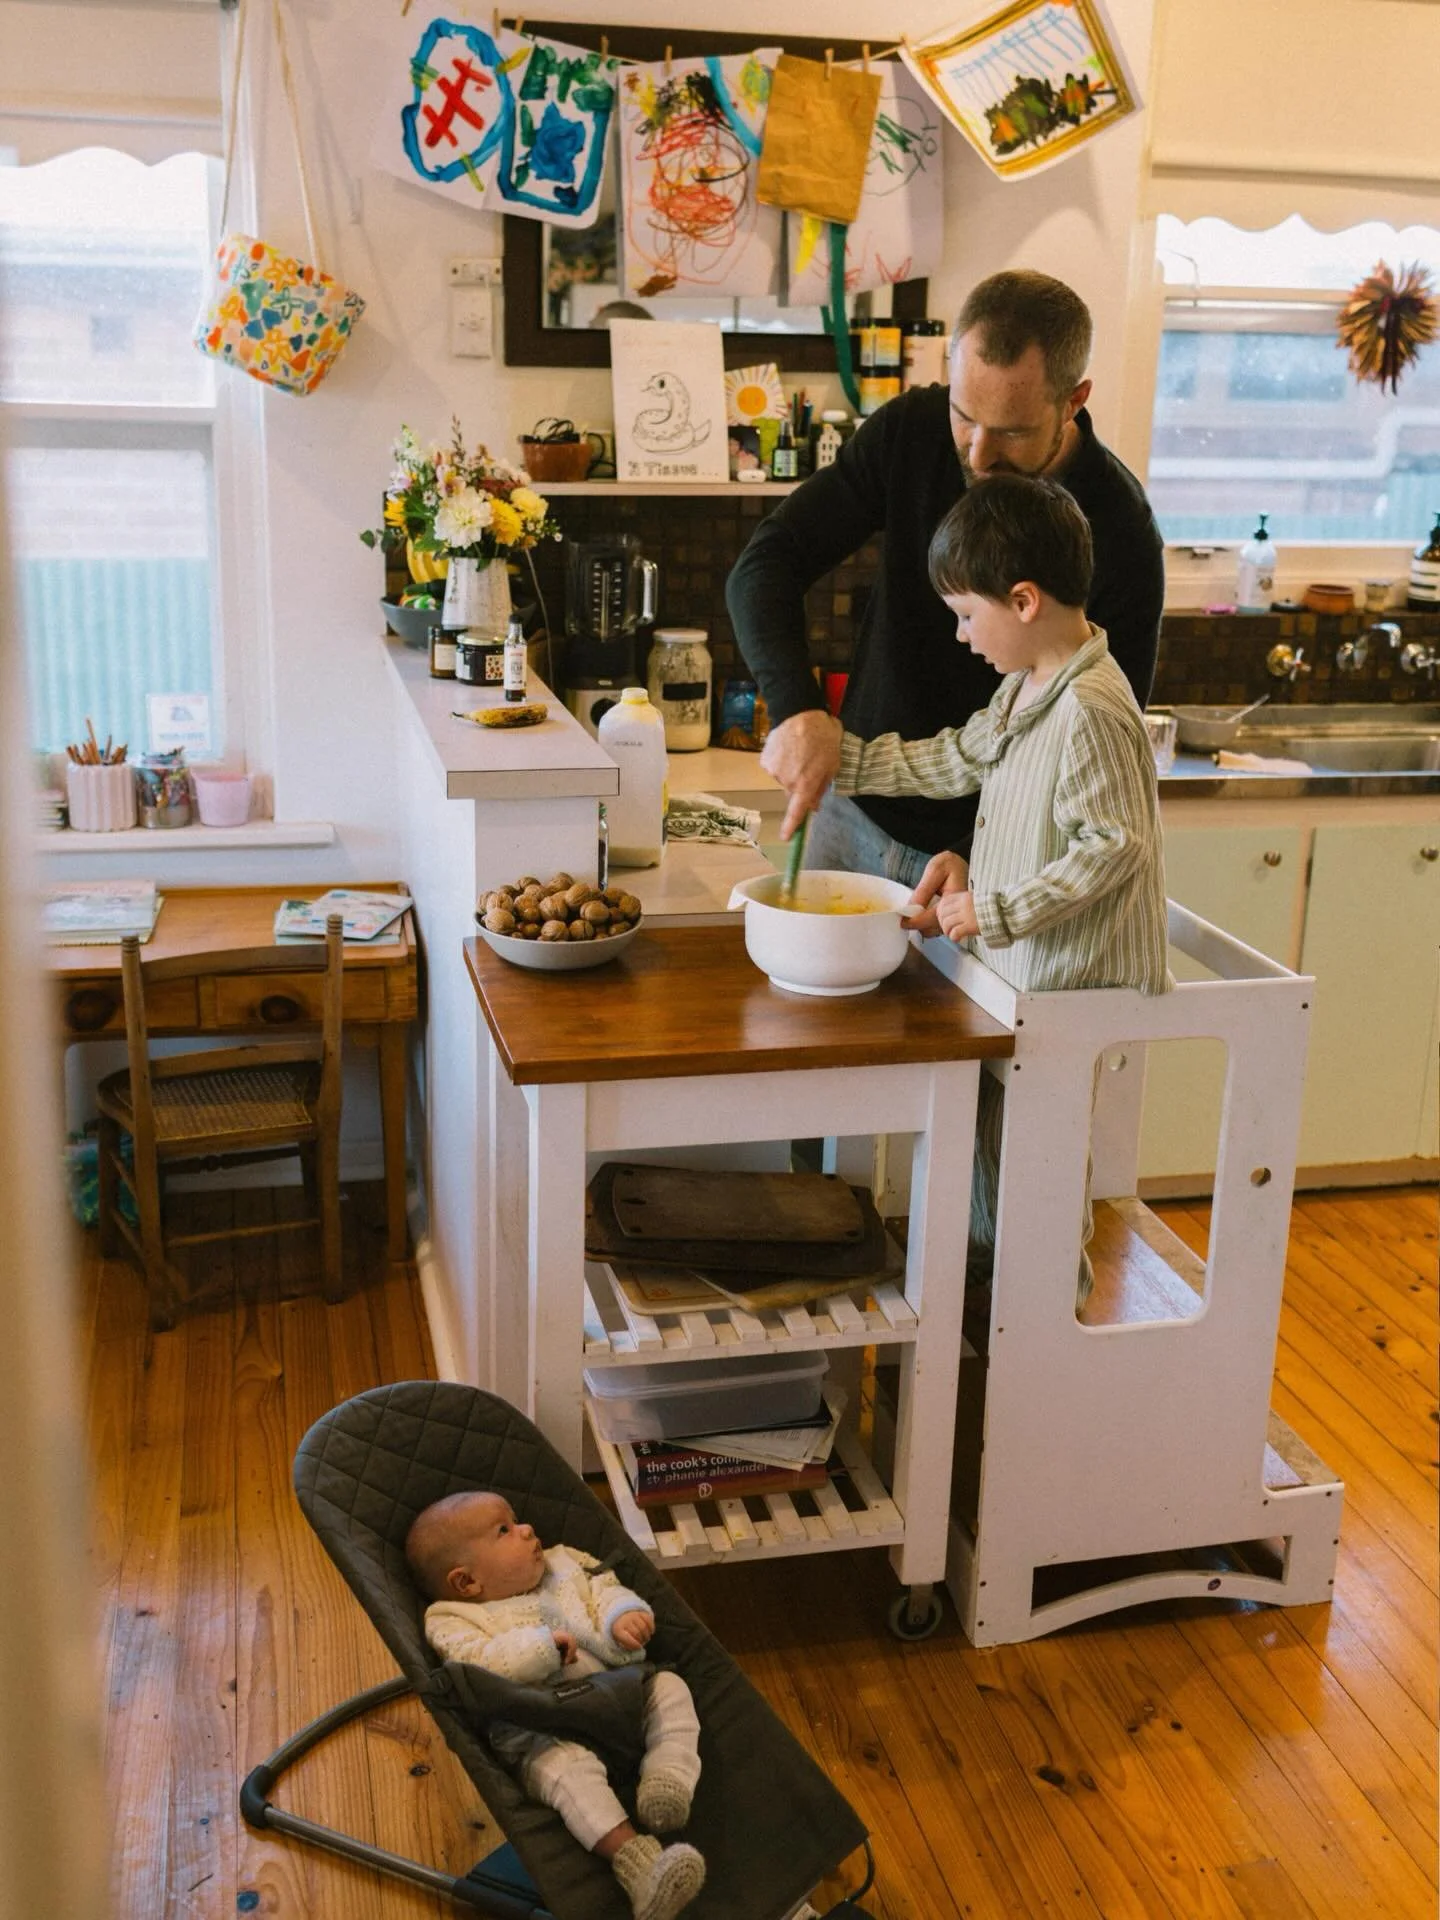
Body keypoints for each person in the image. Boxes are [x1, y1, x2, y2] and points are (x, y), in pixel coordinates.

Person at [829, 473, 1171, 1304]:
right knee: (993, 1155)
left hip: (1069, 988)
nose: (959, 636)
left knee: (1038, 1174)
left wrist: (998, 908)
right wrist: (840, 761)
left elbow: (1111, 847)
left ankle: (1049, 1335)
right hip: (1022, 978)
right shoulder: (1028, 687)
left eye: (965, 614)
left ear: (1022, 601)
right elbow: (954, 759)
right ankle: (994, 1316)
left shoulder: (1091, 706)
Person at [724, 269, 1165, 882]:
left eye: (1010, 430)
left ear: (1073, 401)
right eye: (964, 415)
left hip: (992, 857)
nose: (979, 453)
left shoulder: (1121, 528)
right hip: (851, 818)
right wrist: (798, 710)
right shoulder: (911, 430)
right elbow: (767, 562)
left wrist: (971, 852)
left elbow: (1108, 741)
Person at [406, 1490, 705, 1920]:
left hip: (618, 1694)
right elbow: (476, 1664)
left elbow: (605, 1587)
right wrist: (540, 1647)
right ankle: (637, 1864)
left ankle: (666, 1782)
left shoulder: (564, 1561)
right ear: (467, 1582)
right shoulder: (451, 1617)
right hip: (539, 1729)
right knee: (566, 1772)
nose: (527, 1529)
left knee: (671, 1687)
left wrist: (622, 1616)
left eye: (517, 1519)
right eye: (504, 1530)